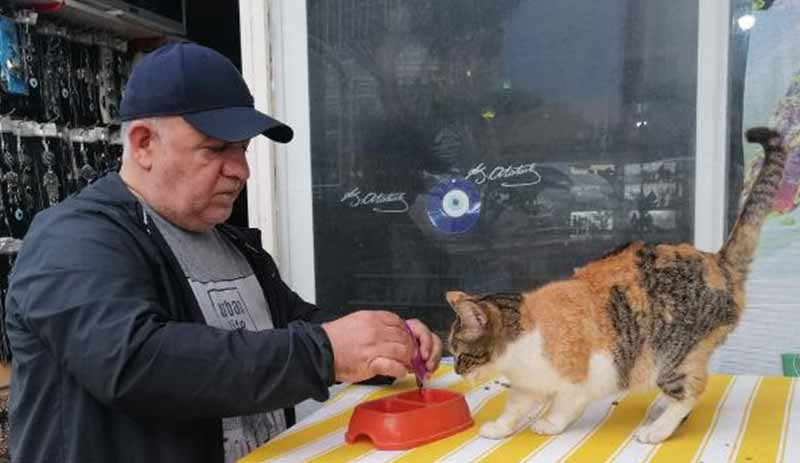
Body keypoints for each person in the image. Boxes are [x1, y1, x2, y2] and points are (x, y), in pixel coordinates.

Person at [5, 42, 443, 463]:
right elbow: (134, 362)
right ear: (142, 144)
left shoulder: (231, 243)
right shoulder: (72, 239)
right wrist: (325, 352)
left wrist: (381, 345)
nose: (242, 170)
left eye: (244, 149)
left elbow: (295, 326)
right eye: (215, 149)